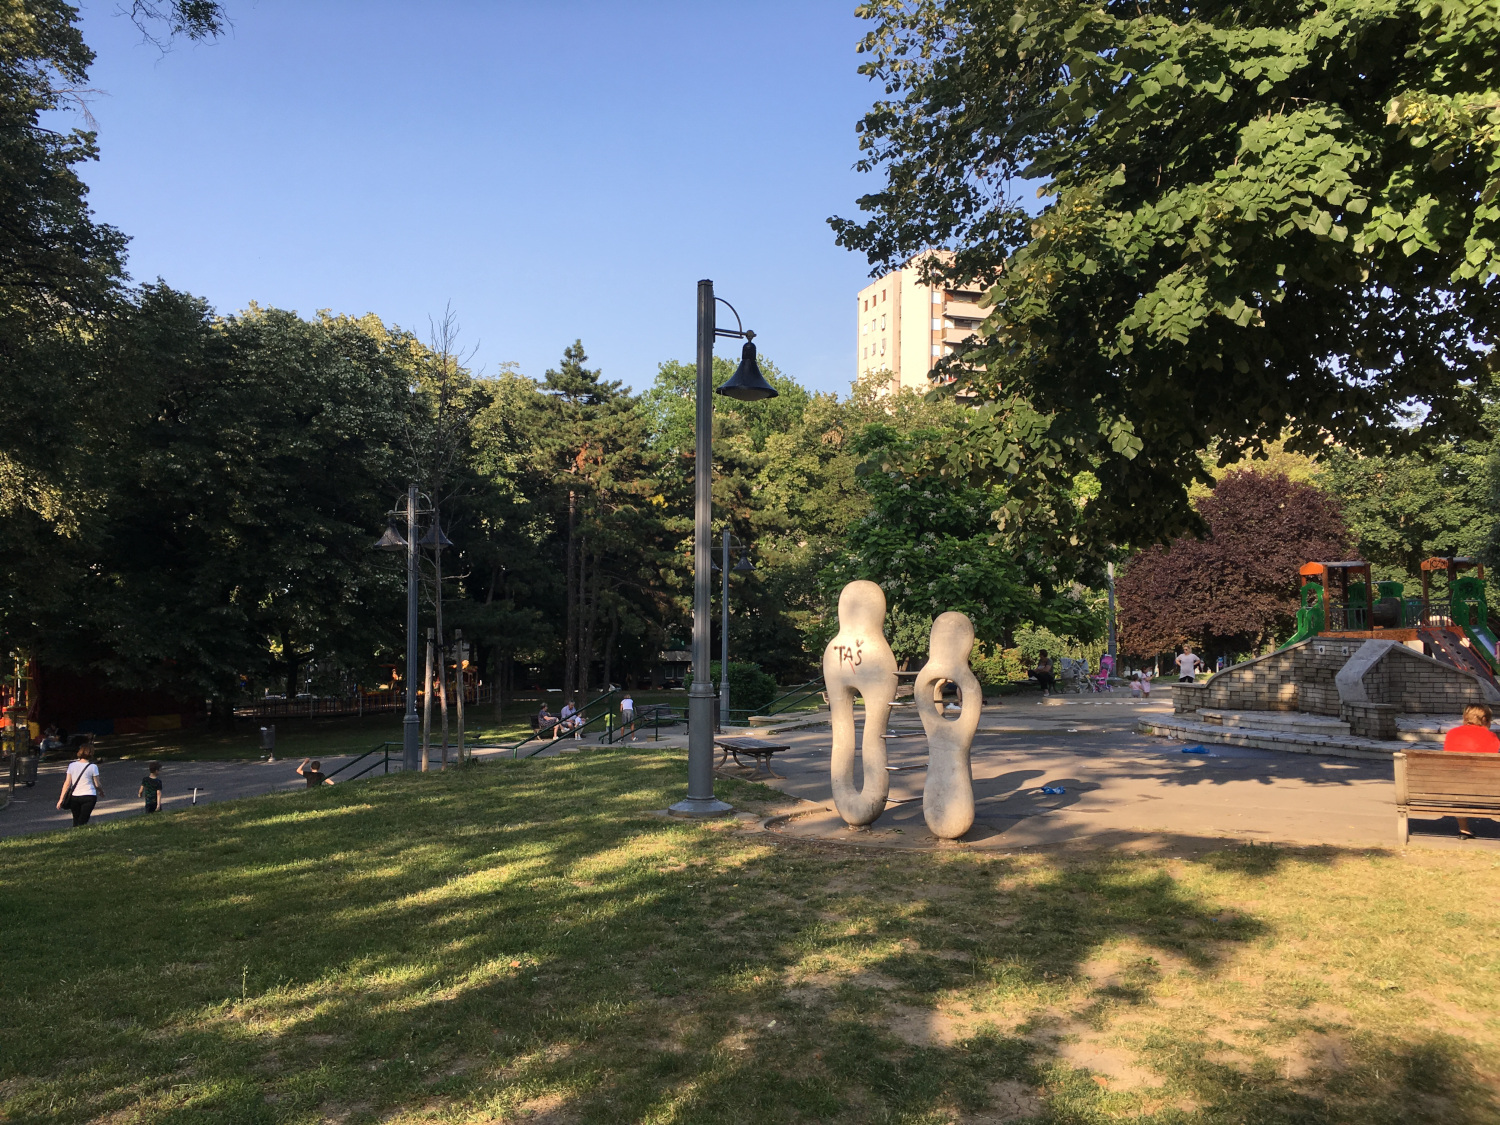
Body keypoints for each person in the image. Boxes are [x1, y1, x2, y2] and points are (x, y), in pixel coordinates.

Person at [1444, 704, 1499, 837]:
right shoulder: (1491, 736)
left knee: (1459, 785)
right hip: (1484, 786)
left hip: (1454, 786)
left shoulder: (1452, 733)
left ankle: (1464, 829)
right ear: (1485, 720)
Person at [57, 741, 102, 827]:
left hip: (75, 796)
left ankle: (75, 834)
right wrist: (101, 791)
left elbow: (67, 784)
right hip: (89, 796)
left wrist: (61, 799)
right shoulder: (93, 767)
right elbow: (97, 784)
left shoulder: (72, 765)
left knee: (76, 819)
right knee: (83, 820)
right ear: (91, 753)